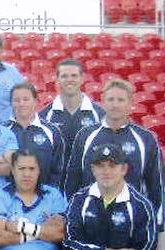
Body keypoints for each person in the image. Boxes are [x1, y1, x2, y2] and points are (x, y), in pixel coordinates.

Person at [65, 80, 163, 232]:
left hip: (132, 227)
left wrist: (157, 229)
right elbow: (72, 181)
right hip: (90, 223)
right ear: (103, 102)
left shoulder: (146, 139)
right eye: (110, 99)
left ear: (130, 103)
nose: (115, 104)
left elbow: (157, 186)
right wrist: (71, 219)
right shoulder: (85, 136)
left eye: (121, 100)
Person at [39, 58, 104, 166]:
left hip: (88, 180)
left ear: (82, 79)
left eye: (74, 76)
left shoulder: (100, 115)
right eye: (64, 76)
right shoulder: (44, 116)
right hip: (57, 181)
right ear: (57, 79)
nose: (69, 80)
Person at [6, 82, 65, 188]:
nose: (21, 104)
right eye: (16, 100)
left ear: (35, 101)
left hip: (44, 197)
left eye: (26, 99)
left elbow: (58, 170)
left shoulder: (51, 131)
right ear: (11, 103)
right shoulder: (3, 131)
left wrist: (49, 194)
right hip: (9, 198)